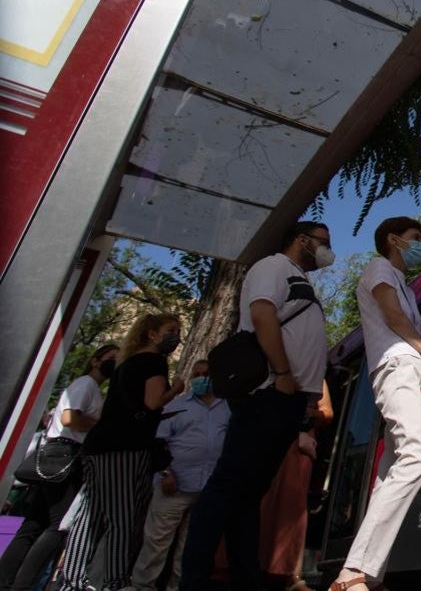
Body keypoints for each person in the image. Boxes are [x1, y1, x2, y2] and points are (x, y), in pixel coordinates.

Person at [181, 221, 333, 591]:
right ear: (301, 240)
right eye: (323, 243)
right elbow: (263, 315)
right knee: (228, 486)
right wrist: (282, 372)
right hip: (268, 392)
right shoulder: (273, 267)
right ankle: (195, 580)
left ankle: (244, 577)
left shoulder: (300, 278)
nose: (328, 250)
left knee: (248, 496)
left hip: (288, 401)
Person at [329, 217, 421, 591]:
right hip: (394, 367)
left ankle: (370, 576)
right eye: (415, 238)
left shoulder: (408, 290)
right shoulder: (379, 268)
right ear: (394, 240)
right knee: (416, 458)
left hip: (408, 369)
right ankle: (353, 573)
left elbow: (407, 324)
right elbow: (392, 317)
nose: (420, 245)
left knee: (389, 473)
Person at [60, 316, 184, 591]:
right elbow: (152, 403)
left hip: (98, 446)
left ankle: (72, 580)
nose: (176, 336)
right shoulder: (154, 362)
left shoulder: (126, 363)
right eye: (171, 331)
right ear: (152, 334)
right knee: (122, 516)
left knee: (91, 515)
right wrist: (175, 389)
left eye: (179, 331)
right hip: (125, 447)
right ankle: (113, 581)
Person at [0, 344, 116, 591]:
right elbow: (69, 419)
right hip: (66, 458)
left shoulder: (88, 386)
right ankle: (23, 585)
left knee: (32, 526)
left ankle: (6, 580)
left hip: (55, 457)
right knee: (58, 526)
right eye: (111, 358)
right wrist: (99, 424)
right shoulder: (87, 385)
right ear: (96, 361)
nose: (114, 364)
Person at [128, 360, 229, 591]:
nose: (202, 378)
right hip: (173, 485)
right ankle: (143, 586)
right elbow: (158, 442)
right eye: (197, 374)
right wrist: (166, 473)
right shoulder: (177, 405)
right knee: (156, 542)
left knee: (189, 547)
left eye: (207, 374)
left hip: (207, 490)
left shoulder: (227, 408)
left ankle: (176, 587)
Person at [258, 380, 332, 591]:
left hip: (296, 451)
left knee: (291, 511)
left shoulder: (317, 376)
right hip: (264, 447)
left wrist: (304, 411)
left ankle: (288, 574)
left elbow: (328, 413)